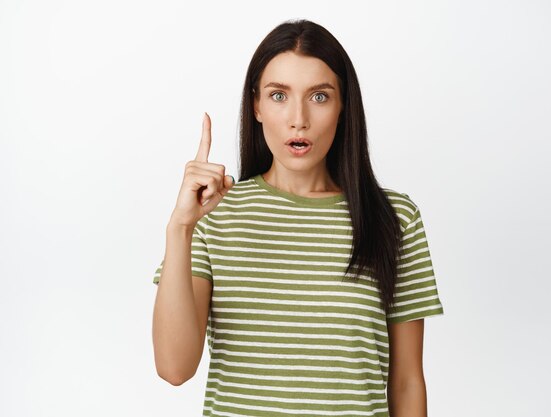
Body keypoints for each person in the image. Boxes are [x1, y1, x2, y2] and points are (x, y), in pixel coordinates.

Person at [151, 18, 444, 417]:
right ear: (256, 105)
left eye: (319, 97)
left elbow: (408, 381)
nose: (298, 118)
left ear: (343, 107)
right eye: (278, 96)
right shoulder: (215, 216)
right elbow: (173, 368)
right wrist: (180, 228)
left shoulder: (394, 218)